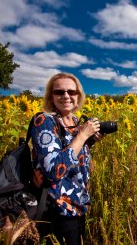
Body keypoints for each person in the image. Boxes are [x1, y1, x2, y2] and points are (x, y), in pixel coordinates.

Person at [31, 73, 102, 244]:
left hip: (78, 206)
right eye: (59, 92)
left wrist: (89, 141)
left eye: (72, 91)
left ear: (78, 95)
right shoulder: (45, 121)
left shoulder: (75, 121)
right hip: (57, 210)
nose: (66, 96)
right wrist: (83, 135)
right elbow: (52, 170)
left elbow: (71, 156)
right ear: (51, 96)